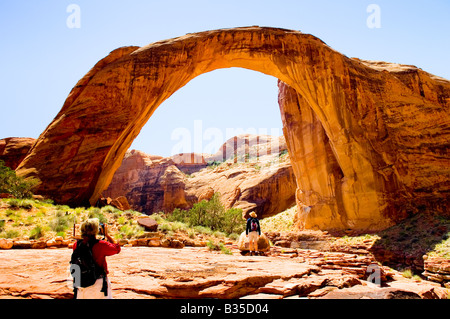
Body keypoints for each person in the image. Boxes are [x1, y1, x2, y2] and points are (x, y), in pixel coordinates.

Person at [72, 218, 121, 299]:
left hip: (81, 282)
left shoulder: (76, 245)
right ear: (96, 230)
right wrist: (107, 235)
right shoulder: (101, 245)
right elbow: (117, 249)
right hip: (99, 284)